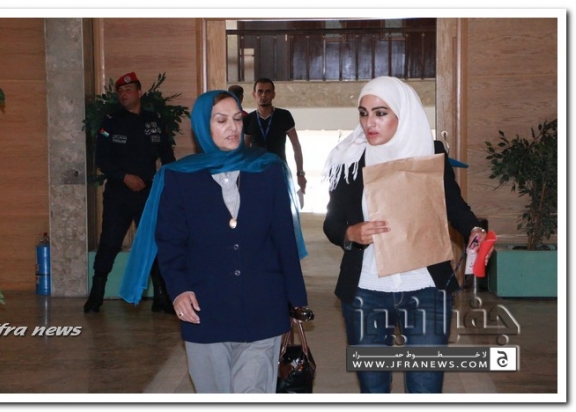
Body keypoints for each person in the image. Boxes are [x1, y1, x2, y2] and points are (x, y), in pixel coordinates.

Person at [119, 90, 309, 393]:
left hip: (263, 306)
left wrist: (297, 299)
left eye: (237, 119)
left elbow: (284, 238)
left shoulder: (268, 169)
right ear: (202, 126)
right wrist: (179, 290)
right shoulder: (179, 177)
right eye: (221, 120)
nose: (232, 127)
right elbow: (170, 243)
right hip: (205, 309)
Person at [323, 76, 494, 393]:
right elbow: (331, 222)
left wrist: (474, 229)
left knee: (425, 388)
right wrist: (350, 232)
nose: (369, 123)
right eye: (363, 113)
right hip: (366, 291)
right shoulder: (349, 158)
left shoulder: (430, 153)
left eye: (380, 113)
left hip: (426, 288)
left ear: (403, 113)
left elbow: (454, 206)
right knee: (373, 389)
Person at [84, 71, 175, 314]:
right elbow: (102, 159)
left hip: (148, 193)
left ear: (139, 93)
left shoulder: (154, 121)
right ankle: (96, 294)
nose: (123, 94)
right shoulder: (111, 121)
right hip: (119, 193)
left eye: (128, 90)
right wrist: (124, 177)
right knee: (109, 242)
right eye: (120, 91)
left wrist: (169, 184)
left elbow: (167, 156)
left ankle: (161, 295)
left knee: (153, 242)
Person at [243, 78, 307, 194]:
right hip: (255, 172)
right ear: (254, 94)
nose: (263, 95)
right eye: (260, 91)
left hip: (279, 172)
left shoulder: (284, 116)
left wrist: (300, 173)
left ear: (273, 95)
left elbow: (296, 146)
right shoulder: (248, 119)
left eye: (268, 91)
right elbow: (245, 150)